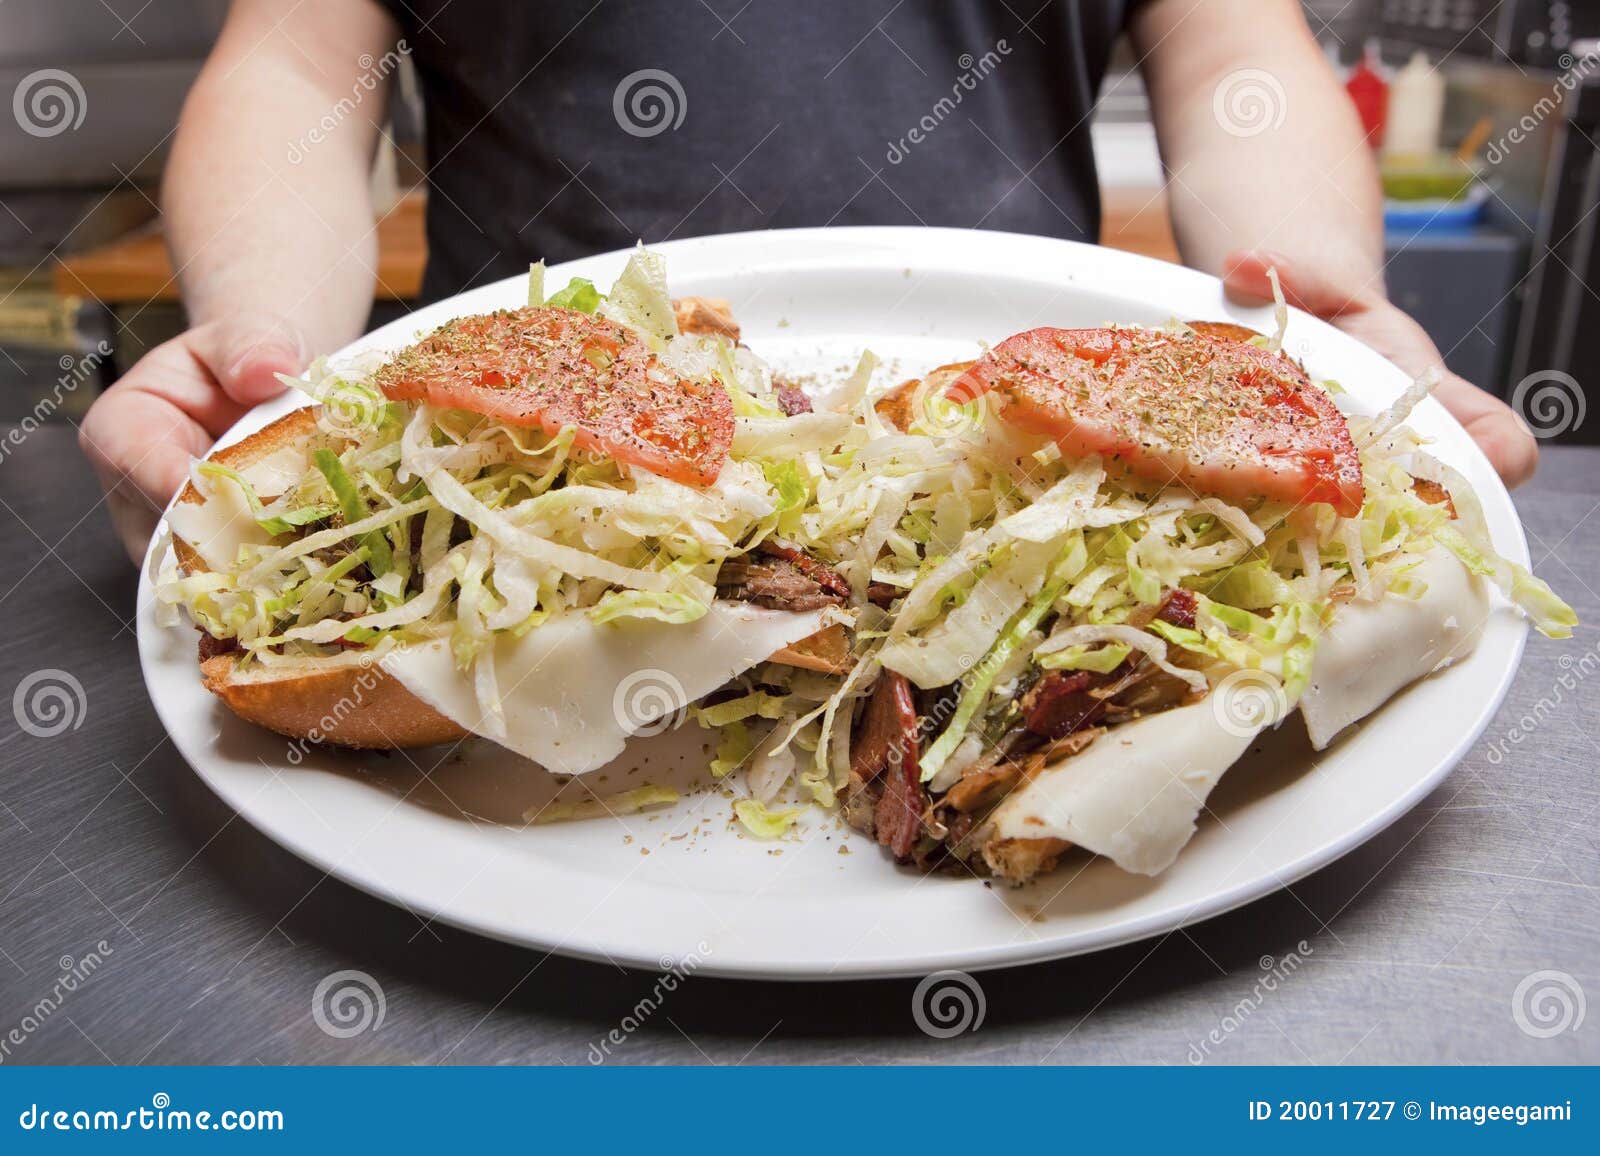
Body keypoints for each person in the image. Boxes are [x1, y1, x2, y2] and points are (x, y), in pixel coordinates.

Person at [80, 0, 1538, 563]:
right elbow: (294, 61)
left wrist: (1315, 301)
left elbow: (1230, 49)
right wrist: (258, 337)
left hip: (1021, 482)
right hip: (536, 493)